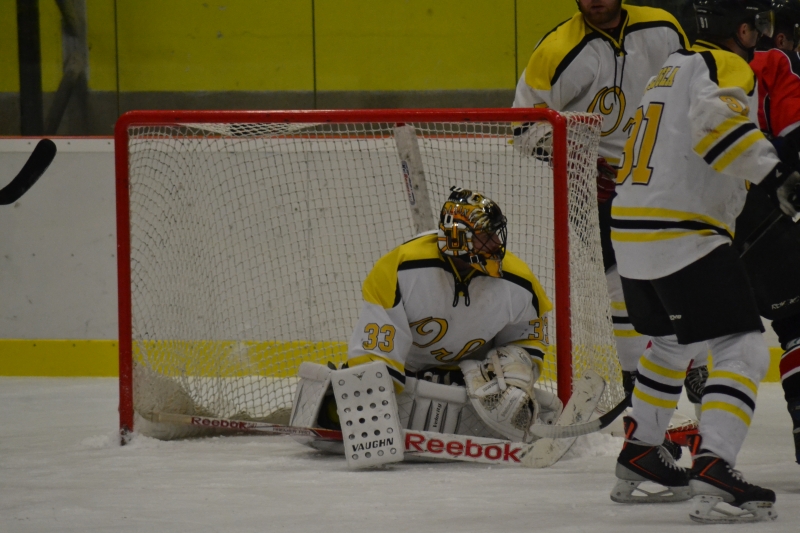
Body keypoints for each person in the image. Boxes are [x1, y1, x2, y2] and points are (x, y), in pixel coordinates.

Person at [609, 0, 800, 522]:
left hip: (630, 231)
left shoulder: (667, 70)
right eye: (756, 27)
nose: (760, 36)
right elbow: (714, 127)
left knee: (674, 342)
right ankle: (715, 465)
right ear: (740, 30)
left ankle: (641, 450)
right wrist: (777, 175)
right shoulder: (724, 63)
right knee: (743, 346)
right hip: (683, 232)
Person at [512, 0, 693, 451]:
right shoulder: (556, 50)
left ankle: (701, 375)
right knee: (620, 287)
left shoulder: (663, 28)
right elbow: (524, 127)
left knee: (686, 275)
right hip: (598, 188)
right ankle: (636, 393)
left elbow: (694, 93)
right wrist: (574, 158)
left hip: (663, 176)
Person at [295, 187, 564, 444]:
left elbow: (527, 338)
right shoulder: (401, 269)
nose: (496, 244)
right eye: (486, 236)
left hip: (471, 383)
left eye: (495, 235)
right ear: (458, 238)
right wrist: (365, 398)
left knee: (518, 397)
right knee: (348, 401)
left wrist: (515, 373)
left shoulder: (519, 281)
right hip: (406, 376)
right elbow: (376, 353)